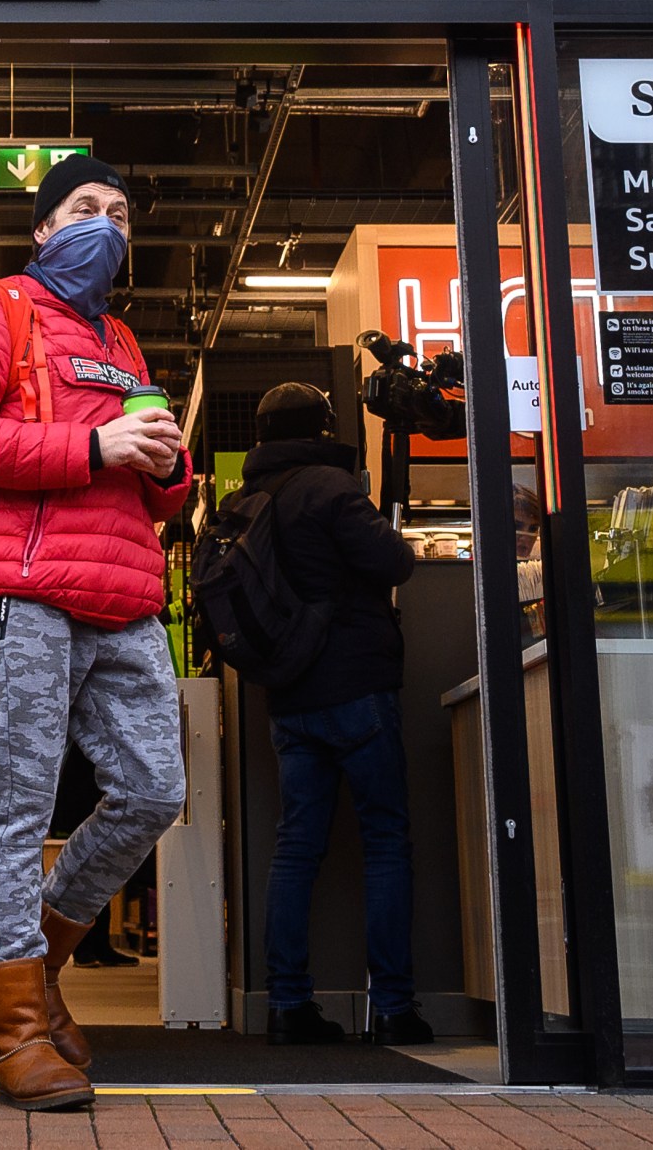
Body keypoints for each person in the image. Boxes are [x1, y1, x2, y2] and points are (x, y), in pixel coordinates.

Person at [0, 154, 191, 1110]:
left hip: (122, 591)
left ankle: (31, 965)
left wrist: (167, 465)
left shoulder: (122, 341)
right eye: (85, 207)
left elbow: (157, 492)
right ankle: (17, 1037)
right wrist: (94, 444)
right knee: (19, 804)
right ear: (42, 228)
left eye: (120, 212)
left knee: (154, 791)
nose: (106, 224)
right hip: (20, 585)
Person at [247, 380, 430, 1048]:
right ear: (322, 428)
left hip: (289, 696)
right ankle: (394, 1008)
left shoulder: (247, 498)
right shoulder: (329, 486)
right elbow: (395, 562)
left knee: (296, 846)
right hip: (356, 685)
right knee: (385, 840)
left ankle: (287, 1005)